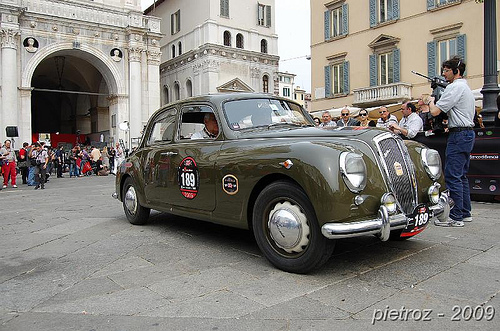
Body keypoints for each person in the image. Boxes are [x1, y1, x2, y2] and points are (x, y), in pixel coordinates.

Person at [428, 56, 475, 227]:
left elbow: (434, 112)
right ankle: (465, 212)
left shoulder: (454, 87)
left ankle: (455, 217)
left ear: (456, 71)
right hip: (467, 133)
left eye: (447, 70)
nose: (443, 74)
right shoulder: (465, 87)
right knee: (461, 175)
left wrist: (431, 101)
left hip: (459, 135)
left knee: (453, 176)